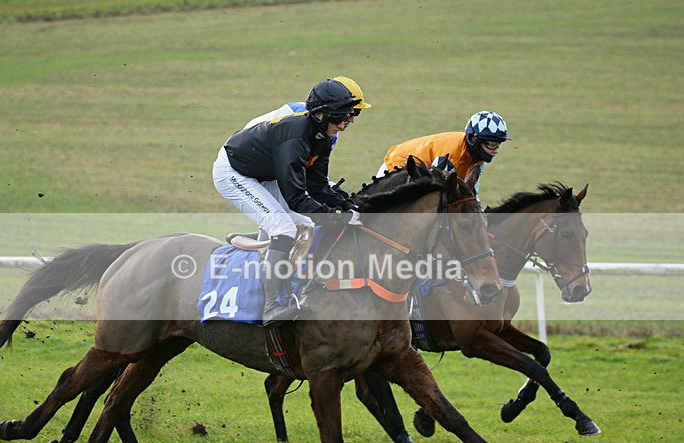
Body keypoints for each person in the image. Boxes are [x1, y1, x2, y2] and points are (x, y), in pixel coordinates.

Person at [212, 79, 363, 326]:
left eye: (349, 115)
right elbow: (297, 199)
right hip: (234, 174)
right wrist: (338, 216)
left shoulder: (323, 136)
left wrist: (350, 206)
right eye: (340, 116)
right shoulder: (295, 138)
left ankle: (263, 243)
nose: (347, 122)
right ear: (320, 114)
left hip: (264, 172)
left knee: (306, 226)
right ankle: (271, 307)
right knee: (283, 228)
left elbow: (318, 185)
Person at [243, 76, 371, 203]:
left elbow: (313, 174)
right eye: (350, 112)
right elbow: (296, 172)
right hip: (255, 163)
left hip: (277, 166)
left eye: (356, 113)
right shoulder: (300, 116)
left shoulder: (328, 131)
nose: (351, 119)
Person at [376, 111, 512, 198]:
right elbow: (436, 192)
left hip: (419, 175)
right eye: (491, 144)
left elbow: (470, 192)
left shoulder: (478, 159)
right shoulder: (451, 154)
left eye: (498, 145)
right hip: (396, 168)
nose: (495, 150)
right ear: (473, 139)